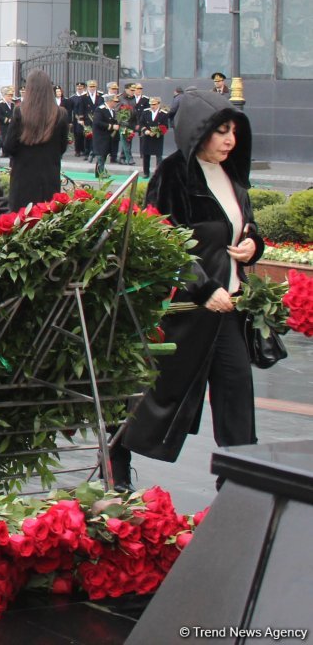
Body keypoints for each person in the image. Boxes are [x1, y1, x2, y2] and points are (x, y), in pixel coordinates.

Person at [112, 94, 262, 490]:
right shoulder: (174, 175)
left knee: (237, 397)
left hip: (227, 311)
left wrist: (253, 246)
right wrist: (202, 287)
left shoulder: (231, 176)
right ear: (199, 132)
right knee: (157, 396)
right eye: (220, 131)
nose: (229, 140)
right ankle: (116, 461)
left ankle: (239, 486)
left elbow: (246, 229)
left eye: (233, 132)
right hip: (184, 313)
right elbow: (160, 239)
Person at [2, 69, 71, 209]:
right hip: (49, 178)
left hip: (23, 178)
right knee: (47, 222)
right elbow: (62, 147)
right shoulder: (60, 114)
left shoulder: (20, 112)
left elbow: (8, 146)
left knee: (21, 223)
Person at [138, 96, 170, 180]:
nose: (152, 106)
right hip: (147, 137)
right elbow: (141, 123)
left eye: (154, 104)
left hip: (157, 138)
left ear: (159, 104)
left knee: (158, 156)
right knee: (146, 155)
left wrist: (156, 132)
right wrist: (146, 131)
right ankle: (146, 172)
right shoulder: (145, 112)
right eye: (151, 104)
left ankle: (158, 173)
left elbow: (165, 126)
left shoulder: (163, 114)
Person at [0, 86, 16, 155]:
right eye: (9, 96)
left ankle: (6, 153)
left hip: (11, 125)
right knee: (2, 140)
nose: (10, 97)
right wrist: (7, 120)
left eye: (11, 96)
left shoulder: (12, 104)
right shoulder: (0, 104)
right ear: (5, 95)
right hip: (3, 126)